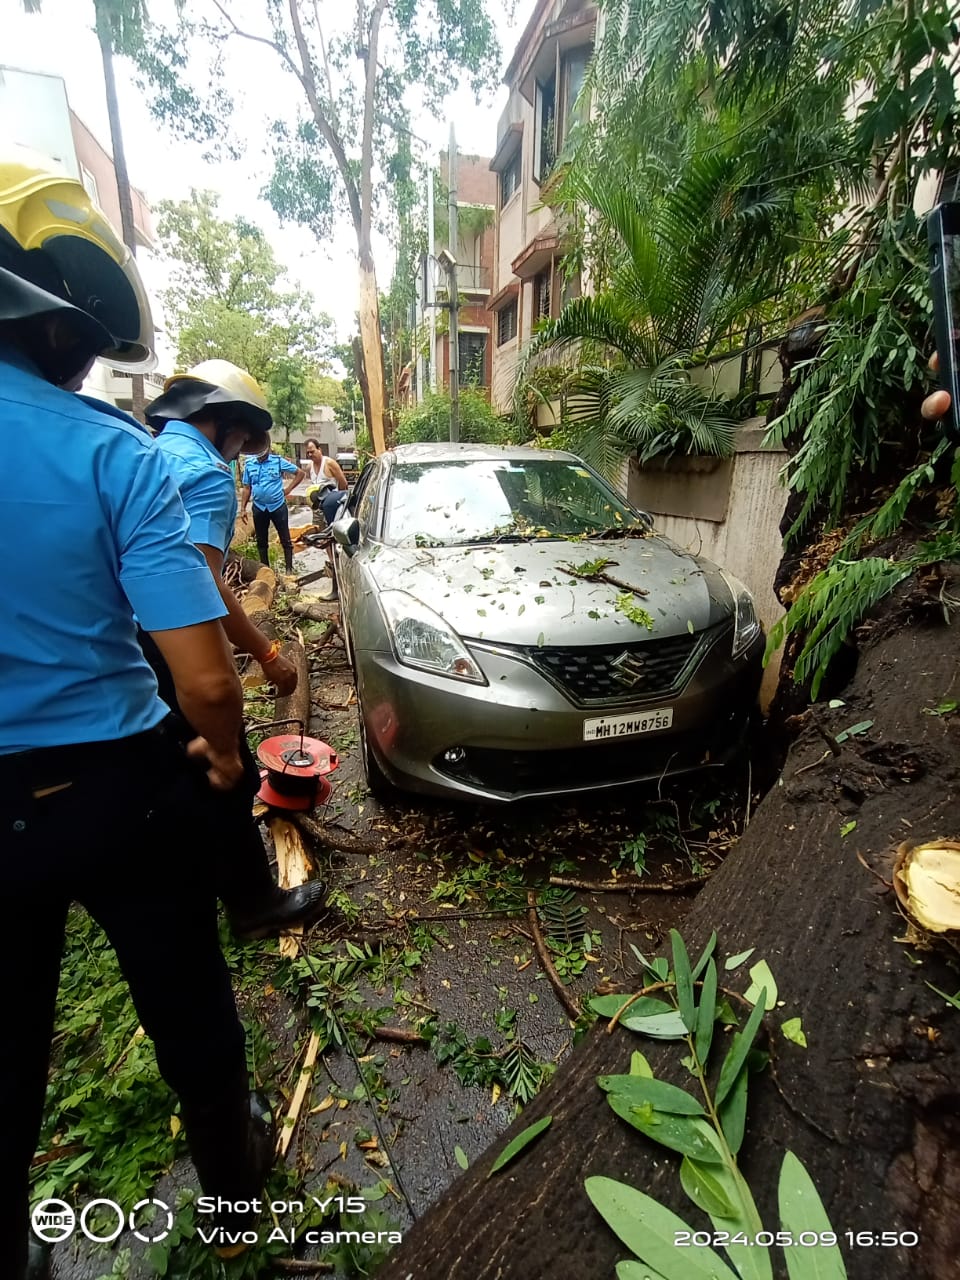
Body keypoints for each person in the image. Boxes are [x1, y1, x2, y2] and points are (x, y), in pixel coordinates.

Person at [0, 150, 272, 1278]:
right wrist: (223, 753)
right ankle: (234, 1188)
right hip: (116, 782)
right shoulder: (111, 453)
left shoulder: (142, 445)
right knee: (184, 992)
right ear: (65, 328)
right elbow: (203, 673)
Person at [145, 360, 327, 940]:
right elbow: (201, 586)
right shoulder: (206, 473)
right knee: (226, 772)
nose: (242, 452)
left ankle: (186, 876)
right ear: (225, 424)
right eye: (243, 439)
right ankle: (254, 903)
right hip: (166, 644)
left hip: (121, 649)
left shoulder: (145, 453)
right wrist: (269, 657)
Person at [240, 439, 304, 573]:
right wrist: (243, 509)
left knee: (285, 539)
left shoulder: (278, 461)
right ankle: (266, 570)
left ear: (268, 448)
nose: (261, 456)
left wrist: (288, 489)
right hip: (259, 507)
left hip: (277, 506)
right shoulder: (249, 464)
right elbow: (247, 488)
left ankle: (289, 570)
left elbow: (300, 473)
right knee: (261, 541)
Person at [304, 436, 349, 526]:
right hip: (317, 508)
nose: (310, 455)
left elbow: (343, 483)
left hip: (331, 505)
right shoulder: (309, 467)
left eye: (312, 452)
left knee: (332, 530)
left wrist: (337, 500)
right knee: (318, 532)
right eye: (308, 453)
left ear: (319, 449)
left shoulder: (329, 463)